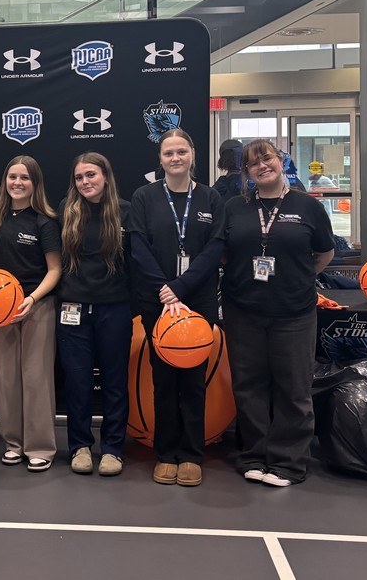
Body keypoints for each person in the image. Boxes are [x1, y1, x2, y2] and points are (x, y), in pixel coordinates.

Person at [222, 138, 335, 487]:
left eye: (267, 158)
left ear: (280, 160)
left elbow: (325, 253)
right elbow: (223, 254)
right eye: (253, 163)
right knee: (248, 387)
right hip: (243, 311)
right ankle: (253, 456)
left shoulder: (307, 206)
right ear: (246, 172)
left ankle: (288, 463)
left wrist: (297, 278)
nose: (262, 166)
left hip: (293, 313)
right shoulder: (234, 207)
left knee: (294, 389)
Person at [128, 128, 225, 488]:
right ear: (160, 159)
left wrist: (180, 288)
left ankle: (191, 455)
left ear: (193, 154)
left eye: (181, 151)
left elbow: (215, 249)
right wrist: (165, 290)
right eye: (168, 153)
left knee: (195, 381)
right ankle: (166, 454)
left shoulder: (211, 198)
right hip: (158, 302)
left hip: (197, 300)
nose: (175, 158)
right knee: (164, 380)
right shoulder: (144, 197)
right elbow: (138, 247)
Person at [0, 156, 62, 473]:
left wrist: (33, 299)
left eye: (24, 178)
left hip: (36, 306)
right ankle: (13, 443)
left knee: (36, 377)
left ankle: (40, 447)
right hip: (0, 309)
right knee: (7, 378)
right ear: (5, 180)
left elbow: (55, 270)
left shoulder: (45, 221)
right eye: (12, 177)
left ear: (35, 183)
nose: (17, 183)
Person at [57, 152, 131, 477]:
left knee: (115, 382)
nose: (85, 182)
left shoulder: (125, 211)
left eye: (91, 175)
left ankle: (113, 448)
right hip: (72, 309)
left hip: (114, 308)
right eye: (79, 177)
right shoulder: (66, 209)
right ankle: (80, 446)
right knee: (77, 382)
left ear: (105, 176)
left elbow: (136, 263)